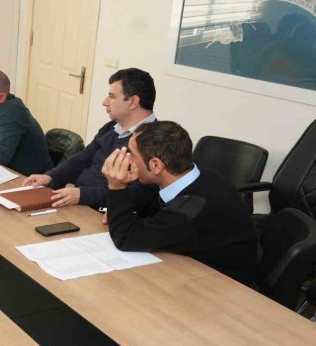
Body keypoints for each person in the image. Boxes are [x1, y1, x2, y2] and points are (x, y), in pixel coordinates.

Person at [101, 120, 256, 285]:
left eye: (131, 153)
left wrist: (117, 187)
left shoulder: (187, 212)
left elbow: (125, 238)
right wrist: (121, 208)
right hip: (190, 266)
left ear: (155, 165)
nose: (127, 159)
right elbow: (147, 201)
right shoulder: (195, 174)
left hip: (220, 285)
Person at [24, 68, 157, 209]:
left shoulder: (153, 141)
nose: (105, 102)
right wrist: (51, 177)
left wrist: (83, 195)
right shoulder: (112, 127)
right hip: (80, 202)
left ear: (133, 101)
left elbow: (137, 196)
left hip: (103, 212)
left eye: (112, 97)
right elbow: (82, 159)